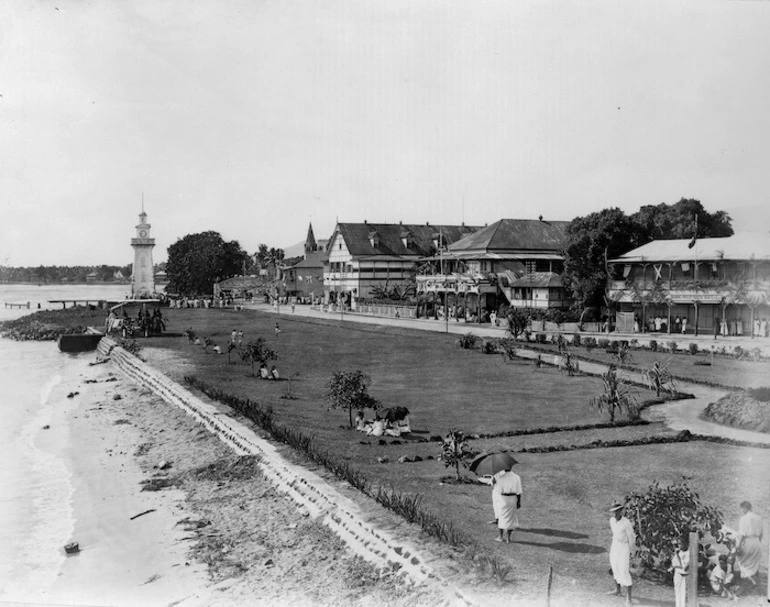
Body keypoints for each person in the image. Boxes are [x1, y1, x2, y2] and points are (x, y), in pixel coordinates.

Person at [608, 502, 635, 605]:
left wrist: (631, 551)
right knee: (614, 567)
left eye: (616, 511)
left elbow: (631, 538)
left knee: (623, 570)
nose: (614, 514)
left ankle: (629, 598)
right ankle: (617, 590)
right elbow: (615, 533)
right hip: (615, 545)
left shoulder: (626, 523)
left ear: (621, 511)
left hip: (624, 547)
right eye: (613, 512)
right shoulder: (611, 521)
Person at [735, 501, 763, 587]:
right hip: (756, 541)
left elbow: (742, 534)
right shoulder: (758, 518)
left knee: (742, 561)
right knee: (754, 561)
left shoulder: (743, 519)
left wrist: (737, 546)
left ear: (744, 508)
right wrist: (758, 542)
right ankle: (754, 581)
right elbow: (761, 533)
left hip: (748, 541)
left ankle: (748, 582)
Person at [492, 465, 521, 543]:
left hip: (503, 499)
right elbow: (519, 491)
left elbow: (498, 490)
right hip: (513, 498)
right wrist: (518, 502)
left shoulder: (500, 478)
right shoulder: (516, 477)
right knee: (511, 517)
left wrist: (494, 483)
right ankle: (508, 538)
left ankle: (500, 537)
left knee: (501, 516)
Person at [670, 535, 690, 607]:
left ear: (686, 543)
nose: (679, 545)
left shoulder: (688, 553)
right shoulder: (678, 552)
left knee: (684, 593)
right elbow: (674, 563)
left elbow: (684, 567)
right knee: (677, 593)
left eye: (681, 543)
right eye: (678, 544)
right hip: (677, 573)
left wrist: (678, 555)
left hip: (685, 574)